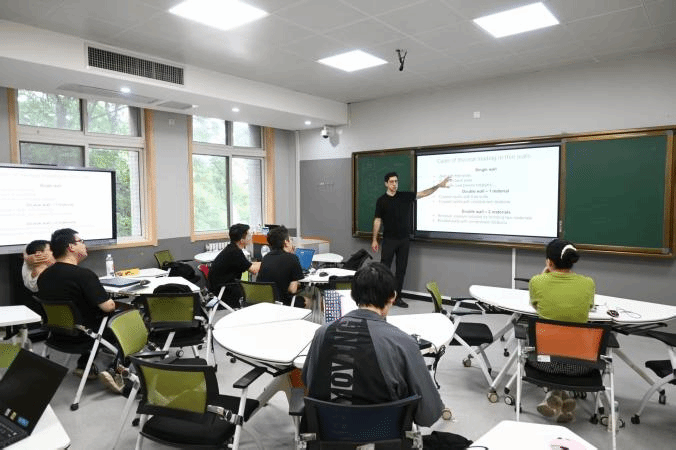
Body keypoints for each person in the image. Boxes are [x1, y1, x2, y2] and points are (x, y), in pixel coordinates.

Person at [302, 262, 444, 427]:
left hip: (327, 433)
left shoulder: (322, 333)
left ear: (353, 296)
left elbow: (308, 381)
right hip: (385, 435)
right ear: (392, 296)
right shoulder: (403, 342)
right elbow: (429, 414)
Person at [37, 228, 123, 394]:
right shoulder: (84, 275)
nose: (84, 245)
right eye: (81, 242)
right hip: (85, 335)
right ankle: (116, 372)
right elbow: (108, 306)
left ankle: (85, 367)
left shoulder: (44, 276)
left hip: (57, 334)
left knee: (91, 321)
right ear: (71, 247)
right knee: (129, 320)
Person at [528, 238, 595, 423]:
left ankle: (554, 396)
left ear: (549, 262)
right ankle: (561, 396)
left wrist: (544, 274)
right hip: (581, 365)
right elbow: (588, 308)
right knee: (567, 346)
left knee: (542, 341)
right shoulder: (588, 283)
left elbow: (536, 307)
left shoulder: (537, 281)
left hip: (543, 362)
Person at [372, 172, 450, 307]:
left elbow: (423, 193)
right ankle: (382, 298)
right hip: (389, 240)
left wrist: (438, 186)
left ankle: (397, 298)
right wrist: (374, 239)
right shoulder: (381, 201)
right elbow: (377, 220)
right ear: (386, 183)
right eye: (391, 182)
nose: (394, 184)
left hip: (404, 240)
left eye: (396, 181)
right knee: (384, 270)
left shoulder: (405, 196)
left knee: (401, 270)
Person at [257, 225, 317, 308]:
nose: (291, 242)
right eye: (291, 240)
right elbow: (292, 290)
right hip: (283, 303)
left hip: (265, 303)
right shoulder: (292, 258)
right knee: (308, 300)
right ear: (286, 242)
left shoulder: (266, 258)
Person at [208, 223, 261, 308]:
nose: (250, 236)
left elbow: (248, 264)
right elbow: (253, 270)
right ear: (241, 240)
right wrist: (267, 261)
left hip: (217, 287)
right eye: (248, 234)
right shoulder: (235, 253)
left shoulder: (232, 248)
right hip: (225, 290)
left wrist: (262, 262)